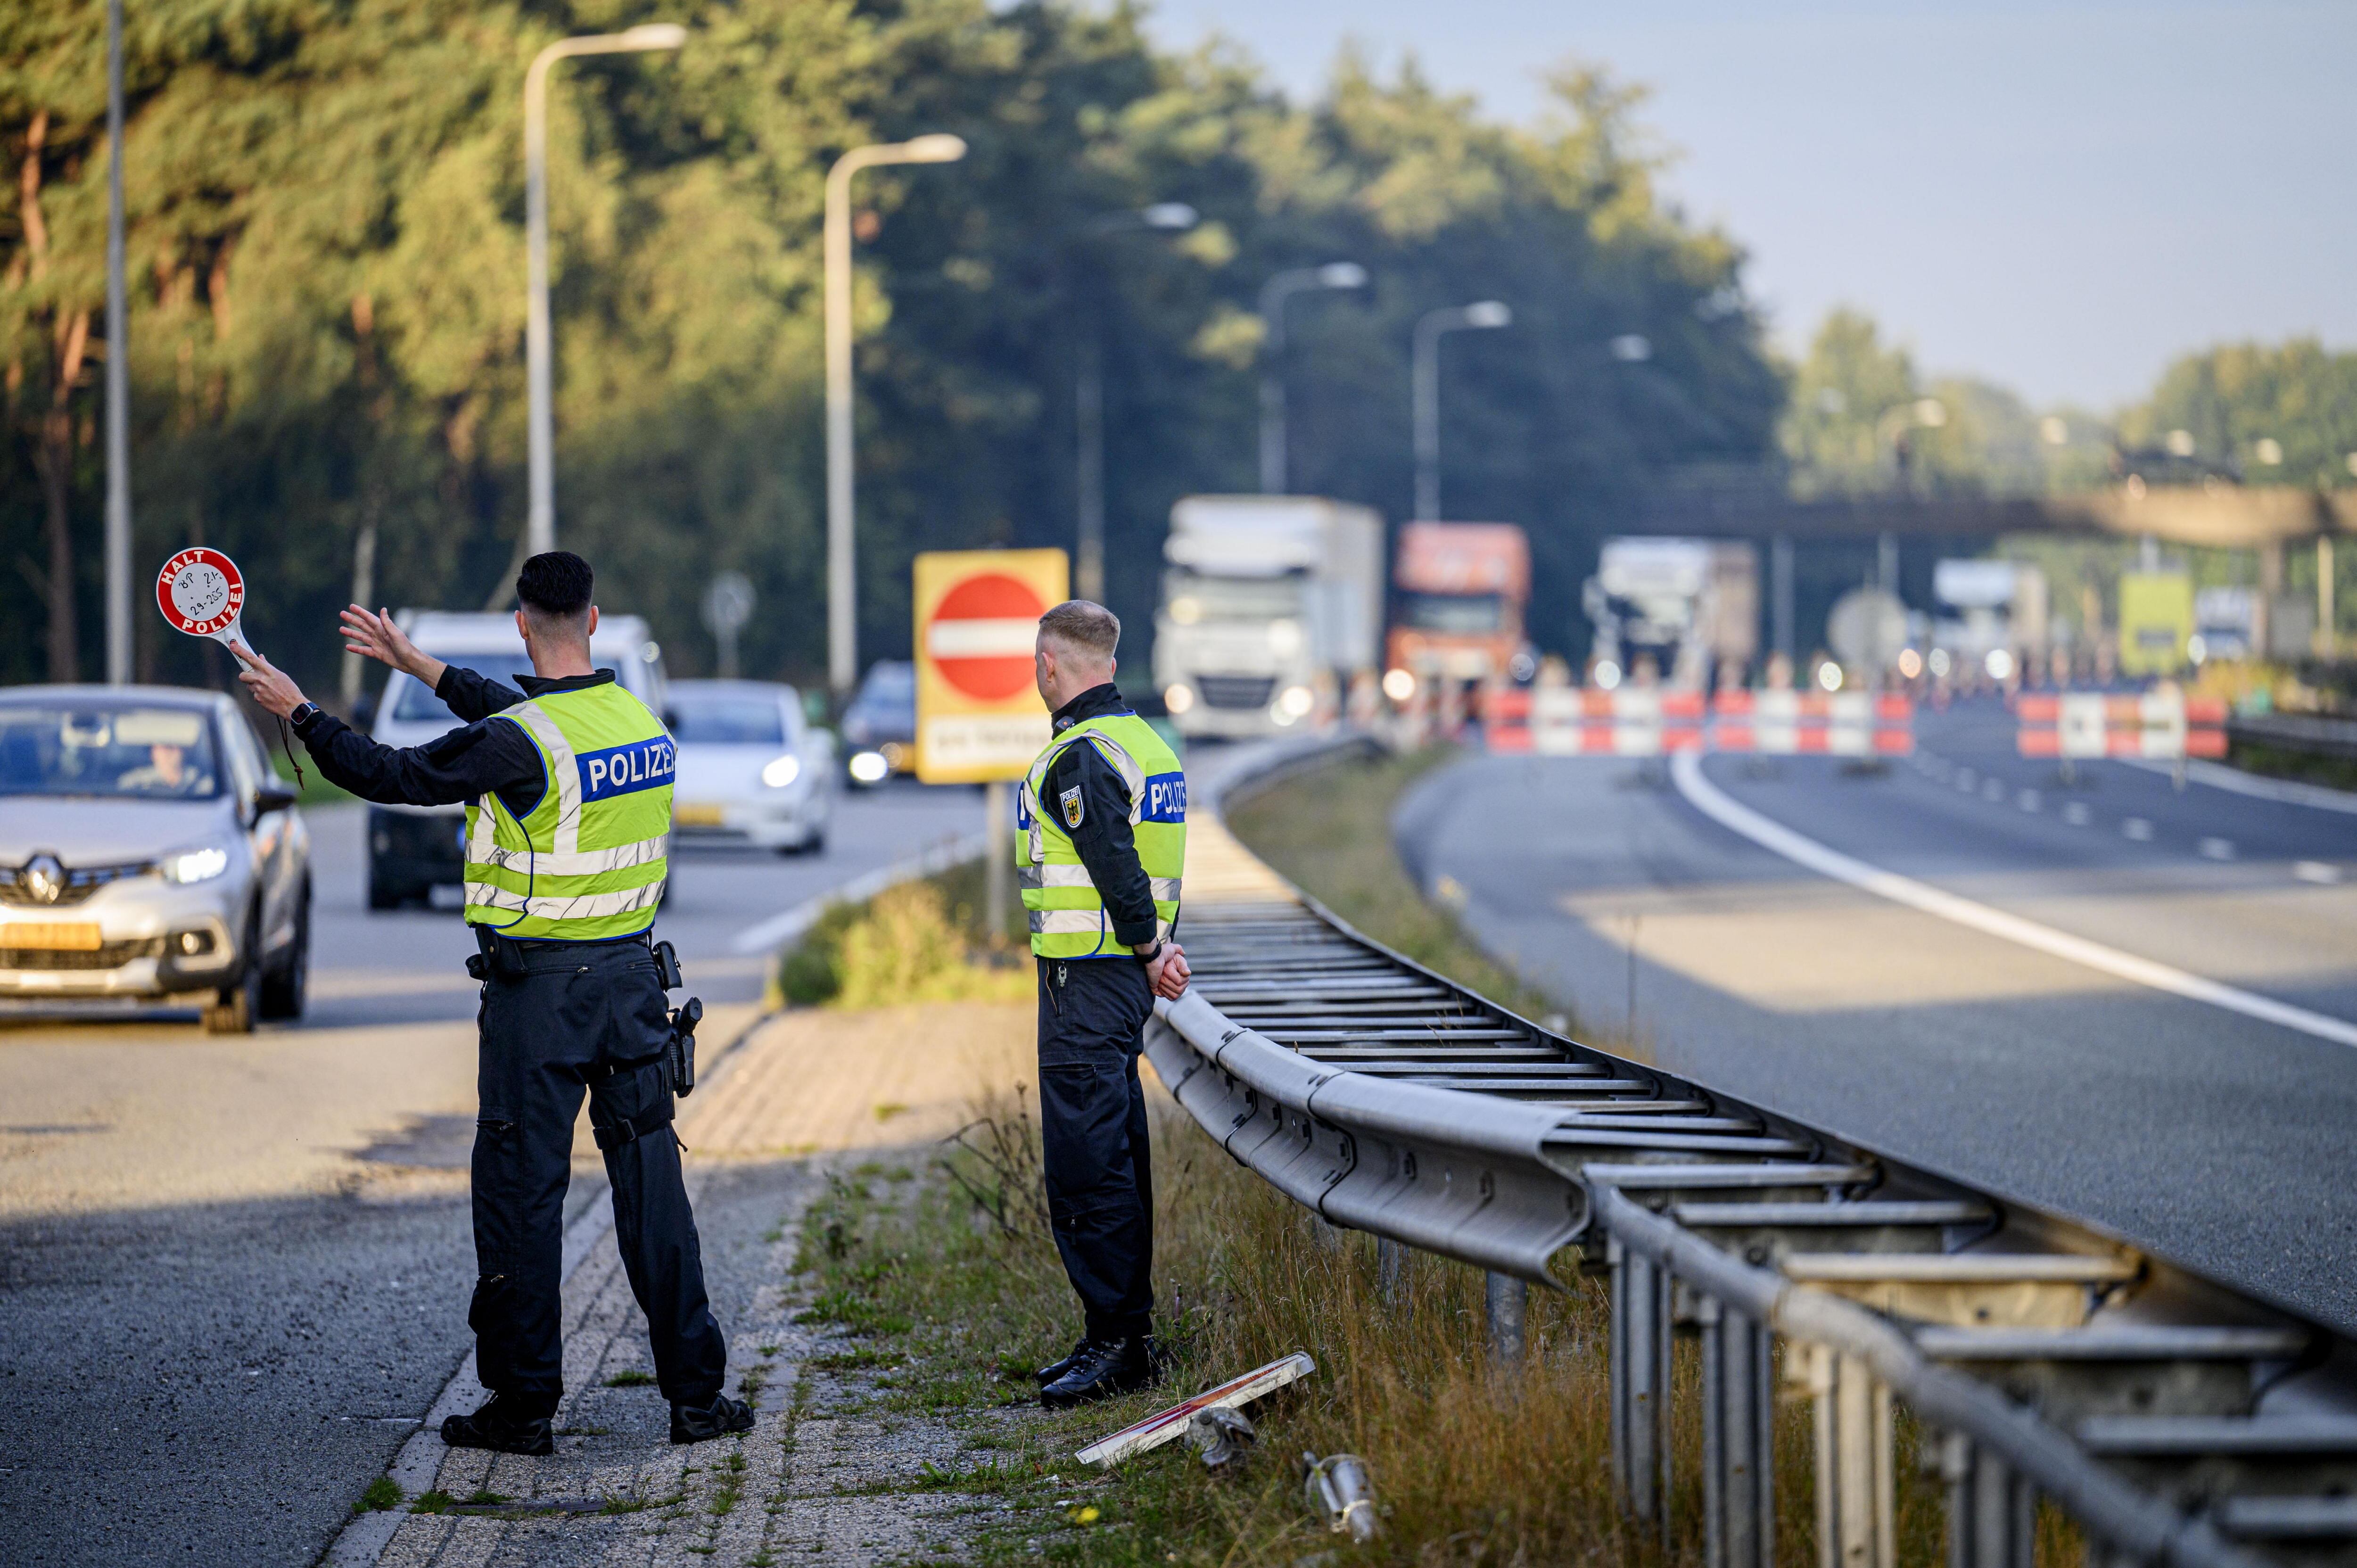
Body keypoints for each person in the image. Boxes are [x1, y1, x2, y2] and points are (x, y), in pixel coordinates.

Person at [231, 552, 750, 1454]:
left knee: (520, 1197)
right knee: (653, 1192)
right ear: (594, 620)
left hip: (540, 1002)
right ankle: (698, 1398)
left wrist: (300, 713)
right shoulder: (634, 718)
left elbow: (393, 775)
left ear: (522, 624)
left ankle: (523, 1408)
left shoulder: (524, 743)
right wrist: (420, 666)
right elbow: (521, 719)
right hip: (632, 989)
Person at [1017, 600, 1190, 1409]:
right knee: (1114, 1150)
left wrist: (1152, 950)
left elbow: (1117, 865)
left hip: (1090, 981)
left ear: (1050, 665)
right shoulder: (1147, 744)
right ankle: (1114, 1333)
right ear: (1112, 664)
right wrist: (1154, 948)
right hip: (1113, 982)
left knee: (1089, 1167)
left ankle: (1119, 1346)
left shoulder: (1082, 755)